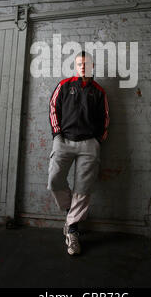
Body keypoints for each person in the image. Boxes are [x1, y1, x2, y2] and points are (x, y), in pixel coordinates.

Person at [47, 50, 110, 255]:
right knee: (55, 179)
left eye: (86, 64)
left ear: (92, 67)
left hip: (89, 145)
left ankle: (72, 231)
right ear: (76, 66)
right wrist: (57, 134)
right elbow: (53, 108)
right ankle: (70, 214)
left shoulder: (99, 91)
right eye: (79, 64)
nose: (83, 66)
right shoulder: (64, 85)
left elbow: (105, 118)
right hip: (64, 141)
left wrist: (98, 140)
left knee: (83, 188)